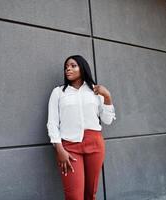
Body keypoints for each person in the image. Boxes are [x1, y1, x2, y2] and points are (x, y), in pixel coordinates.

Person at [46, 55, 116, 200]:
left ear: (82, 67)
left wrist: (107, 96)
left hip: (95, 144)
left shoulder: (95, 91)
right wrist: (59, 149)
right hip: (69, 147)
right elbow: (52, 122)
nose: (68, 69)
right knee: (74, 196)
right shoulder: (59, 92)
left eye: (73, 66)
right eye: (66, 67)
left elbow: (107, 120)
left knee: (90, 194)